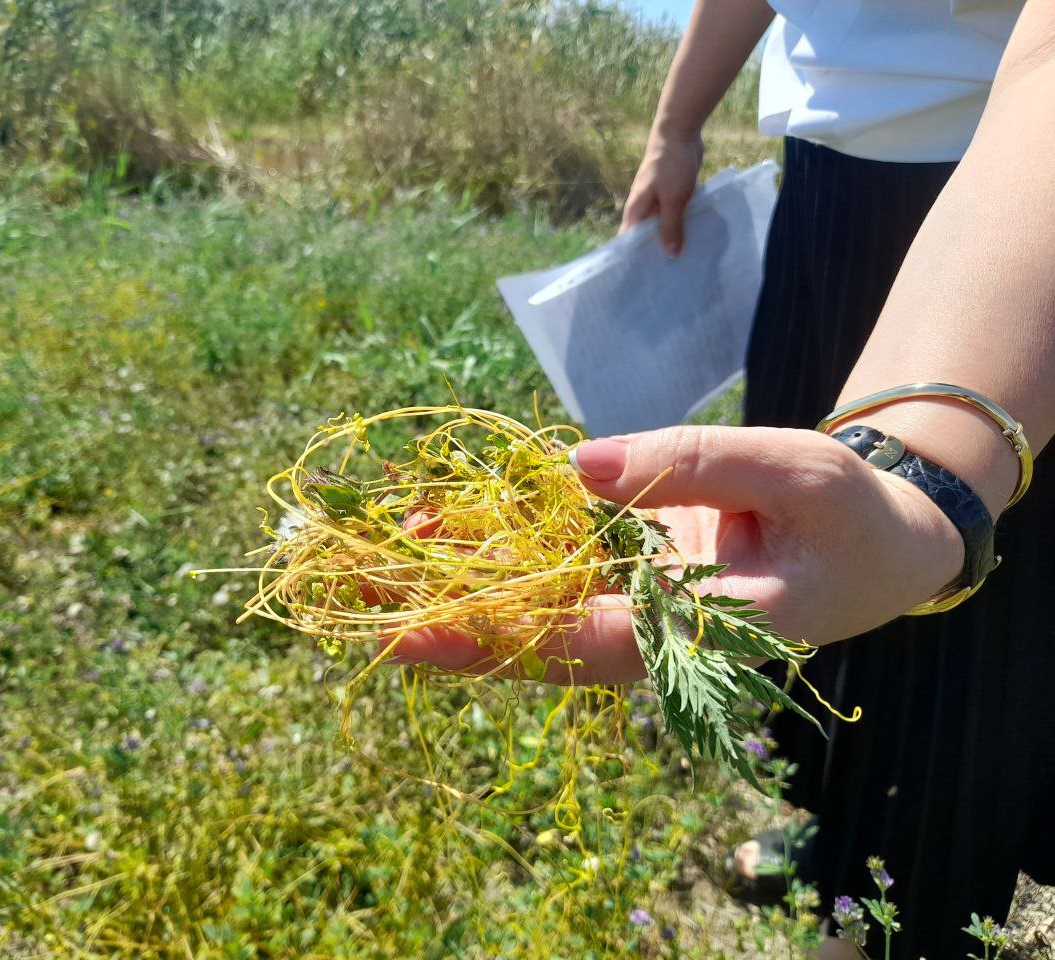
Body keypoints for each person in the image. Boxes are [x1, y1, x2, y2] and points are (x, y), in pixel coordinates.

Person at [389, 1, 1055, 956]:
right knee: (791, 548)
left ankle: (903, 910)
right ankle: (839, 835)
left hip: (1001, 182)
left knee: (949, 613)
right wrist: (675, 125)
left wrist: (928, 473)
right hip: (824, 173)